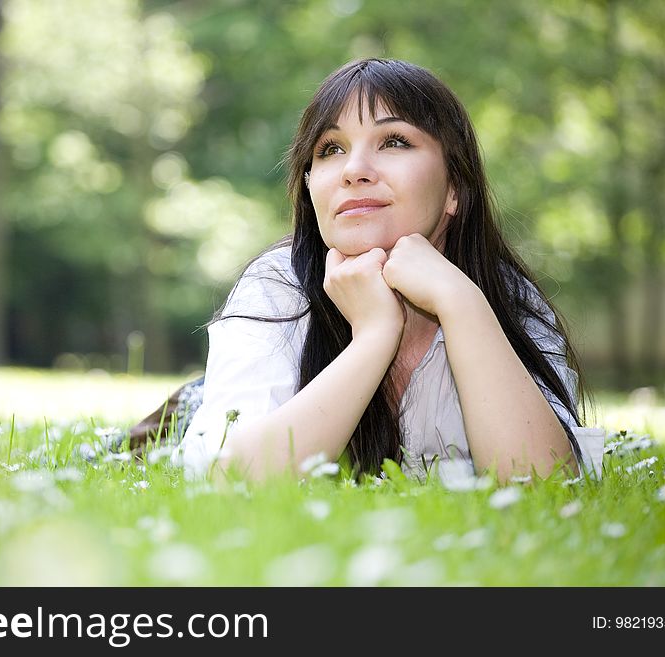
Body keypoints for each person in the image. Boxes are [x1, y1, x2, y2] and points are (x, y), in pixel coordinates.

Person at [141, 58, 597, 484]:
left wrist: (461, 304)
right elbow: (231, 479)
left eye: (394, 141)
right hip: (204, 410)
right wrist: (375, 335)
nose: (354, 170)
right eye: (331, 149)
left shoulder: (505, 297)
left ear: (455, 186)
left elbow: (546, 484)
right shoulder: (277, 287)